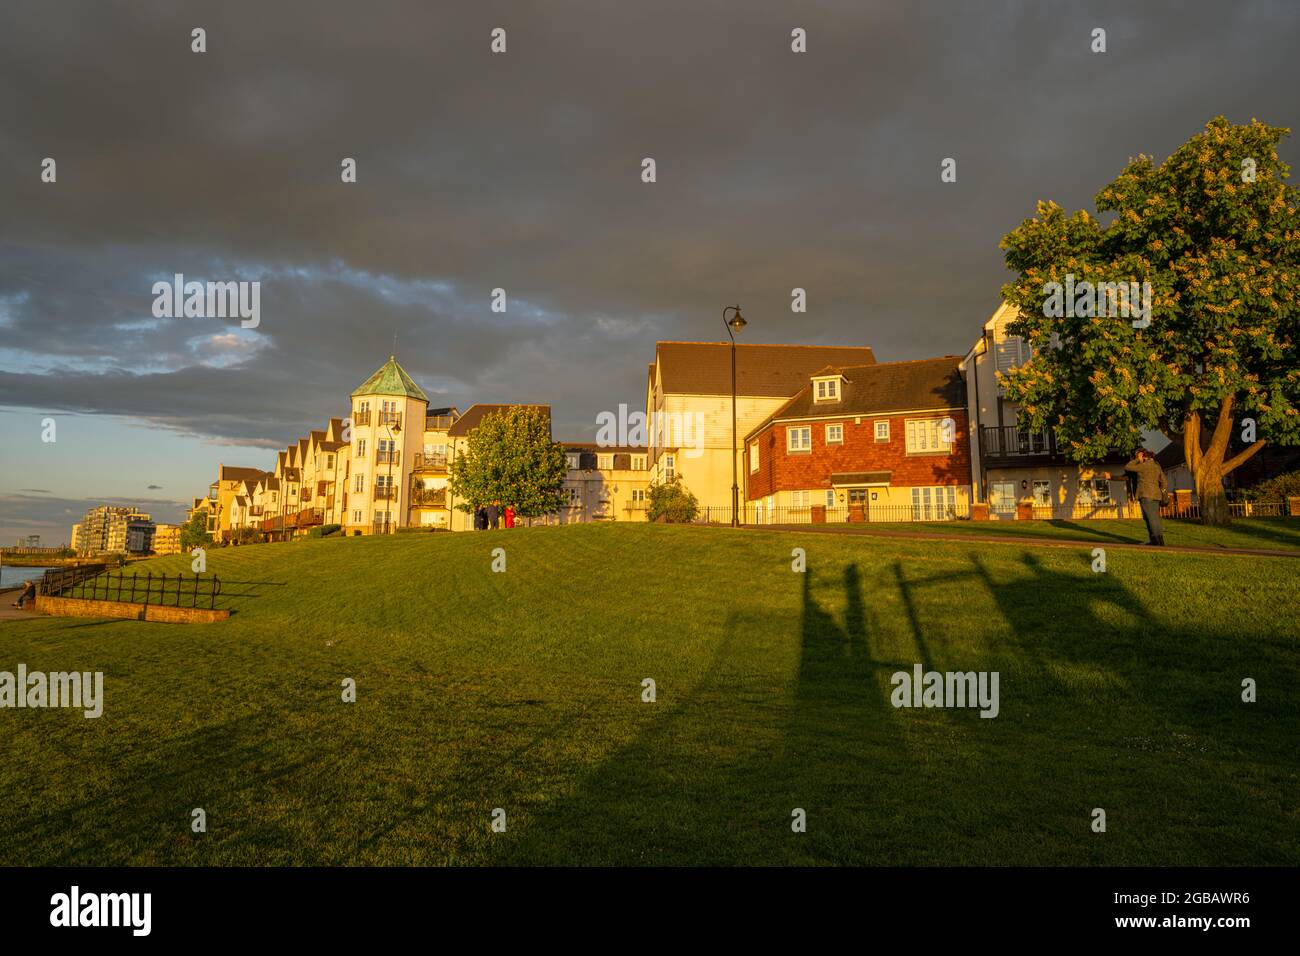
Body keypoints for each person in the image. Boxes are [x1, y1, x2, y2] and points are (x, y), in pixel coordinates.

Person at [1120, 448, 1168, 546]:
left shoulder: (1143, 466)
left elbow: (1128, 467)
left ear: (1144, 456)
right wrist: (1162, 491)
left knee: (1149, 518)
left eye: (1138, 455)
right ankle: (1159, 540)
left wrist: (1138, 459)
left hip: (1146, 495)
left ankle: (1155, 540)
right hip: (1156, 495)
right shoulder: (1156, 466)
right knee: (1155, 518)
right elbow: (1164, 481)